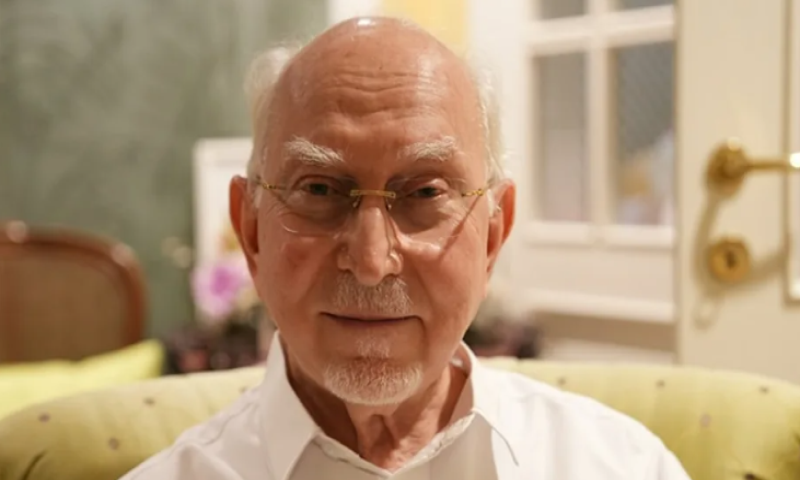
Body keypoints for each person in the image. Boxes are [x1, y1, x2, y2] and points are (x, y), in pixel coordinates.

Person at [120, 16, 691, 480]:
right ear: (250, 231)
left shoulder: (621, 466)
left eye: (424, 193)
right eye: (320, 190)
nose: (371, 263)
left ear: (493, 235)